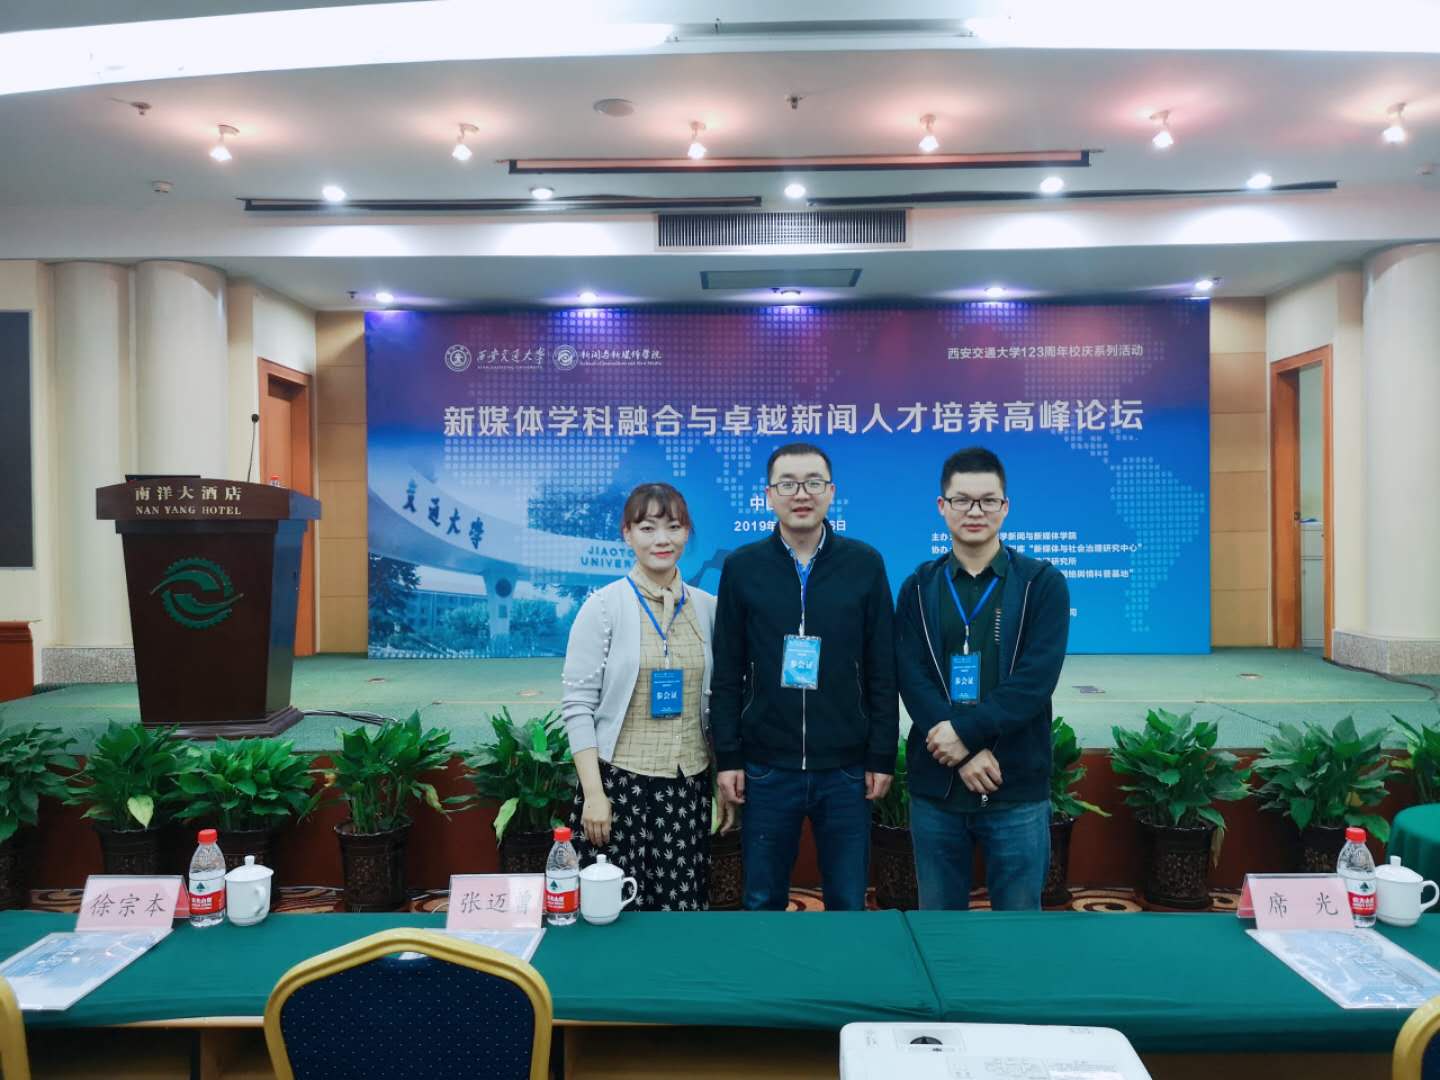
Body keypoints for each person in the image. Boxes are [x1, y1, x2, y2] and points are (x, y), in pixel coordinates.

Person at [710, 443, 898, 911]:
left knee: (848, 901)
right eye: (788, 484)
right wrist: (728, 757)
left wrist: (881, 755)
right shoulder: (742, 567)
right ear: (769, 495)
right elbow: (728, 670)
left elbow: (882, 668)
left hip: (847, 770)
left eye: (813, 482)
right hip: (766, 768)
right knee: (762, 899)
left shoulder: (864, 564)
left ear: (831, 492)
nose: (801, 494)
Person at [895, 446, 1070, 910]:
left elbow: (1035, 680)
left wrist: (965, 736)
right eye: (962, 500)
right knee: (940, 929)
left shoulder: (1041, 584)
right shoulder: (919, 586)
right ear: (942, 506)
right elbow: (911, 676)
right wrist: (965, 750)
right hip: (937, 788)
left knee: (1017, 929)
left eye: (988, 500)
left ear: (1005, 507)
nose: (975, 511)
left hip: (1015, 787)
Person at [560, 482, 733, 911]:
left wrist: (721, 779)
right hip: (620, 789)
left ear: (687, 533)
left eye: (673, 527)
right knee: (614, 913)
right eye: (647, 527)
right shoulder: (603, 607)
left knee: (681, 914)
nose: (662, 539)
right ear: (627, 534)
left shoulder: (708, 608)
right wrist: (594, 794)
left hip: (687, 789)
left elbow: (720, 700)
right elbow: (578, 707)